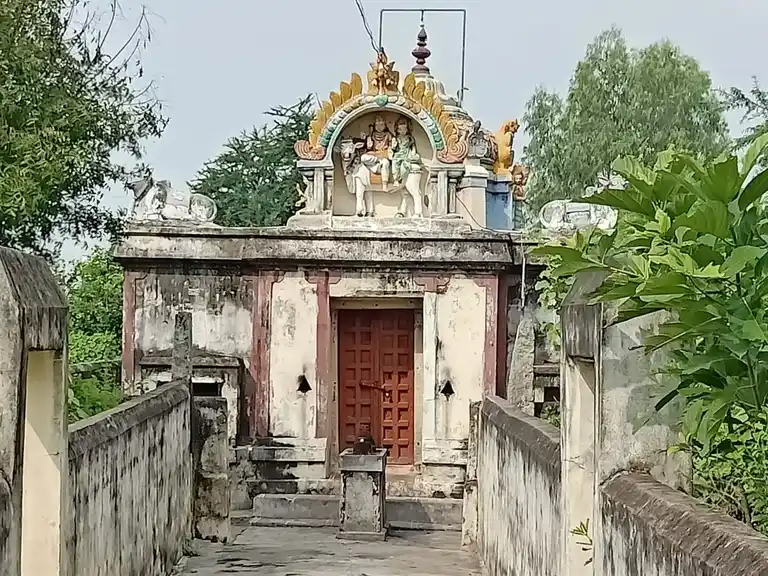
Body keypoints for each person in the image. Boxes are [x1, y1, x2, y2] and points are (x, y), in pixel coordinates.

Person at [360, 115, 393, 191]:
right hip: (374, 156)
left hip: (384, 155)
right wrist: (368, 140)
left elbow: (391, 147)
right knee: (363, 158)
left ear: (385, 125)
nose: (379, 127)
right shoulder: (372, 135)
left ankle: (385, 184)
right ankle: (377, 161)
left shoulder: (388, 135)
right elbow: (369, 147)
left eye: (381, 125)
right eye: (377, 125)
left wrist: (390, 148)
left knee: (385, 163)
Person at [390, 117, 420, 187]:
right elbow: (393, 148)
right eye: (400, 129)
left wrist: (413, 154)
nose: (403, 131)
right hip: (398, 154)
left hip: (407, 154)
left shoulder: (410, 138)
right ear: (397, 130)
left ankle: (402, 177)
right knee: (395, 163)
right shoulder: (396, 138)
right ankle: (396, 179)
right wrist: (394, 145)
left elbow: (413, 147)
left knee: (408, 162)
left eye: (405, 129)